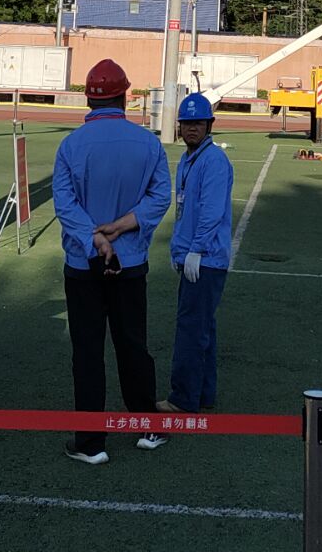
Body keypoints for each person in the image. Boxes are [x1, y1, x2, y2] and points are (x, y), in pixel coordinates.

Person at [52, 58, 171, 466]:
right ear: (125, 97)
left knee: (87, 352)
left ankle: (91, 443)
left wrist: (95, 237)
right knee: (133, 345)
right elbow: (160, 196)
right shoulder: (148, 143)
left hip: (83, 264)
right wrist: (122, 226)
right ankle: (148, 427)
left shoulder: (71, 145)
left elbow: (65, 203)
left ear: (89, 98)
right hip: (130, 261)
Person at [166, 91, 234, 416]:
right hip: (195, 256)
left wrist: (195, 250)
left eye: (198, 123)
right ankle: (204, 394)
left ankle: (182, 399)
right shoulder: (188, 159)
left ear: (210, 125)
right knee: (203, 328)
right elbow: (184, 211)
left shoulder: (213, 161)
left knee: (191, 330)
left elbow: (211, 212)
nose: (191, 128)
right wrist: (178, 249)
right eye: (187, 123)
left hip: (205, 259)